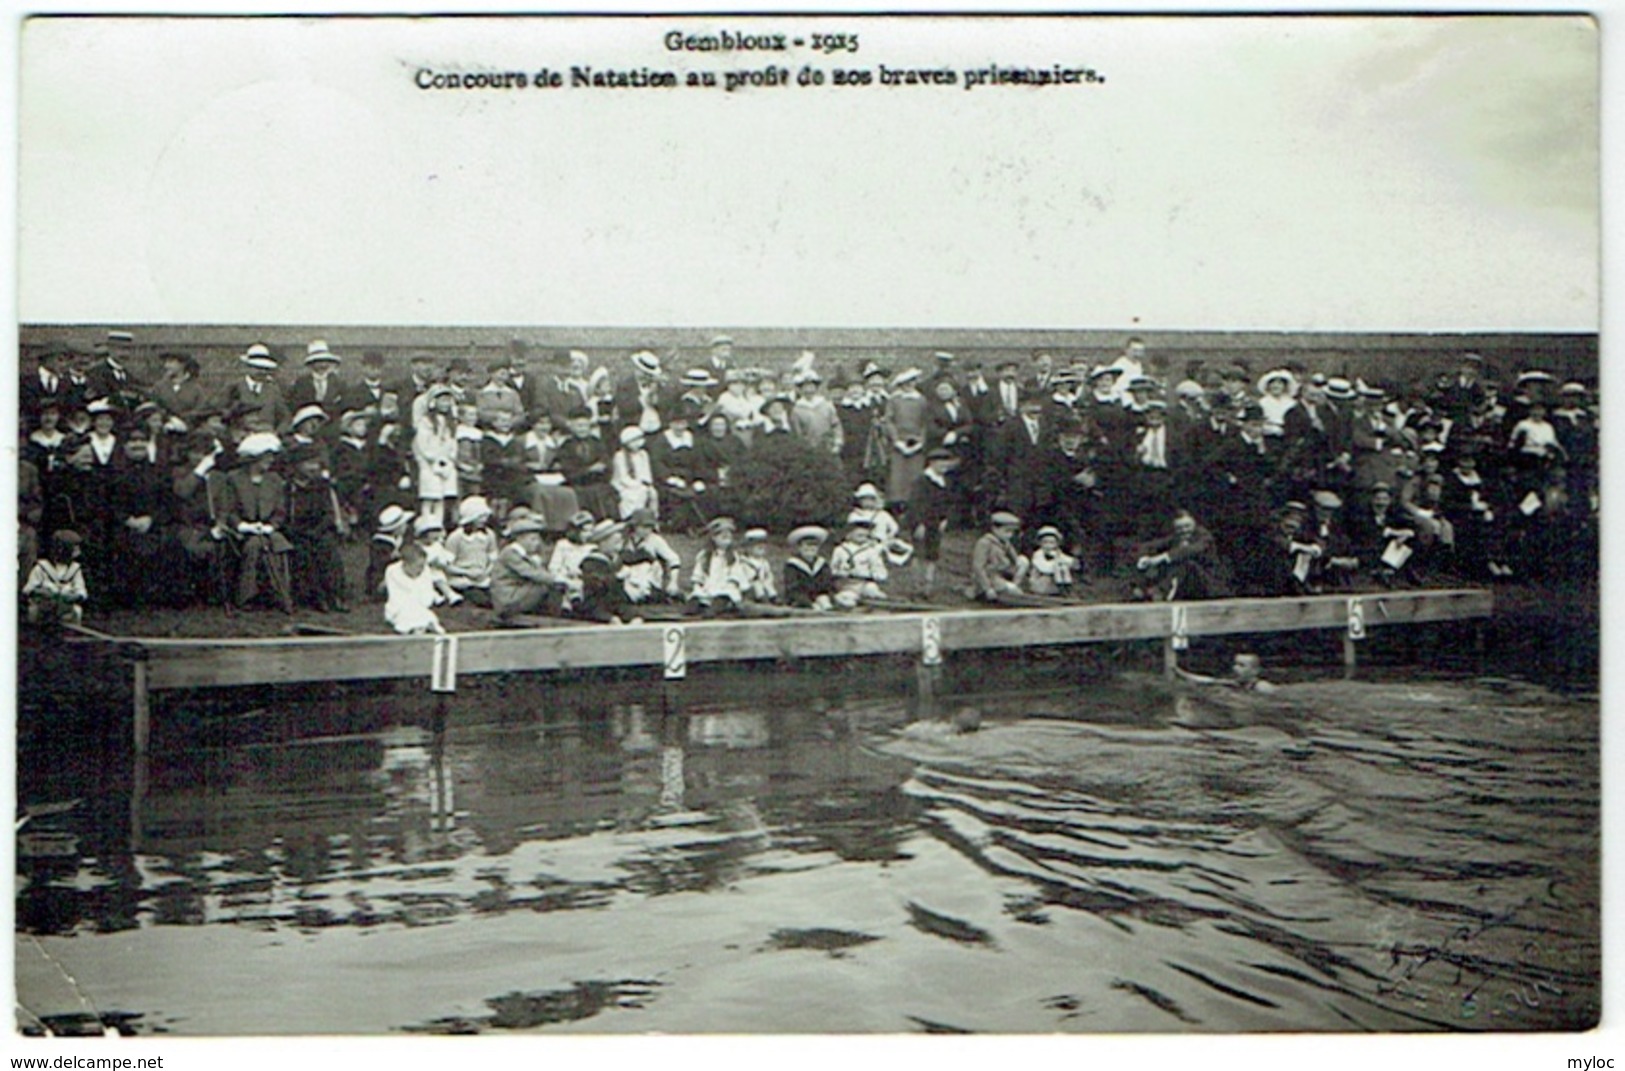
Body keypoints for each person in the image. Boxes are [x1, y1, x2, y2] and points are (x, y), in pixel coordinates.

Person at [218, 431, 294, 613]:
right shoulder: (234, 479)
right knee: (254, 545)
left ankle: (280, 594)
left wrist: (271, 526)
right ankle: (247, 596)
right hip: (240, 532)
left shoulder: (275, 480)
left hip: (268, 530)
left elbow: (280, 511)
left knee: (277, 544)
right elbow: (229, 509)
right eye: (266, 457)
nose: (270, 461)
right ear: (254, 459)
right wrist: (242, 526)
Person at [1134, 510, 1230, 602]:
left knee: (1185, 564)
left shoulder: (1204, 538)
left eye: (1187, 526)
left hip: (1209, 585)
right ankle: (1145, 590)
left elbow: (1188, 551)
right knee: (1165, 564)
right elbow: (1152, 545)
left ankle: (1160, 591)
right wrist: (1143, 557)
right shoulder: (1177, 537)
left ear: (1195, 524)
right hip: (1187, 587)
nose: (1184, 531)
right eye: (1179, 528)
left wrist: (1160, 558)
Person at [491, 512, 565, 624]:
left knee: (551, 585)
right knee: (547, 585)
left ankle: (550, 616)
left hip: (518, 594)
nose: (536, 544)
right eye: (532, 539)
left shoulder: (526, 555)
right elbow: (529, 573)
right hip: (508, 599)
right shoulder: (510, 553)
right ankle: (551, 618)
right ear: (520, 539)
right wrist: (556, 579)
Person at [413, 384, 461, 530]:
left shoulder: (451, 422)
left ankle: (439, 526)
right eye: (442, 400)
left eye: (448, 401)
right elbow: (423, 444)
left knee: (442, 498)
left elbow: (453, 442)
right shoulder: (425, 422)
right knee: (430, 498)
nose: (445, 404)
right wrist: (434, 458)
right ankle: (427, 525)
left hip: (446, 463)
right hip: (430, 464)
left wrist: (450, 458)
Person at [571, 518, 631, 623]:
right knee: (612, 619)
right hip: (596, 602)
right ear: (603, 542)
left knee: (635, 615)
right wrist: (617, 577)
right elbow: (596, 583)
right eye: (615, 542)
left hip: (616, 601)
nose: (619, 546)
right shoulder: (591, 562)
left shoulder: (616, 559)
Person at [24, 529, 88, 627]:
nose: (78, 552)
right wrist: (43, 593)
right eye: (75, 549)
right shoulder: (42, 567)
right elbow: (28, 589)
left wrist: (73, 596)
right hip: (43, 609)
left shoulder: (75, 570)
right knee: (33, 610)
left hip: (66, 610)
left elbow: (81, 591)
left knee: (77, 610)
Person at [384, 542, 450, 635]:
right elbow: (396, 598)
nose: (422, 569)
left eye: (423, 566)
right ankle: (415, 629)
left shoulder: (425, 571)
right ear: (406, 564)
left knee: (427, 616)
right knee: (406, 616)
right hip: (399, 608)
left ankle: (422, 627)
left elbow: (426, 599)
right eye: (419, 566)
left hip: (420, 607)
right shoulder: (392, 571)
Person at [619, 508, 682, 604]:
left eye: (650, 527)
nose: (647, 530)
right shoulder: (624, 539)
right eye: (643, 527)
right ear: (634, 526)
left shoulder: (655, 540)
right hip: (627, 577)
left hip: (649, 578)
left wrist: (673, 582)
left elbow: (674, 559)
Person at [444, 495, 498, 606]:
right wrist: (467, 573)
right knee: (480, 599)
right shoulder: (456, 537)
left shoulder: (489, 535)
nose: (484, 520)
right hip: (463, 579)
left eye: (485, 517)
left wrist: (486, 572)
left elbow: (493, 558)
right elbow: (447, 565)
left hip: (483, 577)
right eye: (480, 517)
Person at [830, 517, 894, 606]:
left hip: (864, 581)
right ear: (849, 535)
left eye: (865, 536)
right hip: (847, 582)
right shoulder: (840, 549)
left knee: (872, 590)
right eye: (859, 535)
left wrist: (878, 574)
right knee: (848, 597)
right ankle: (845, 601)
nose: (863, 538)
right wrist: (839, 572)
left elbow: (877, 566)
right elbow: (833, 566)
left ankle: (876, 601)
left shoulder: (871, 550)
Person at [689, 516, 748, 611]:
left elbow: (735, 576)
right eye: (722, 536)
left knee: (721, 602)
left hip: (725, 590)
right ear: (713, 538)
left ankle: (721, 608)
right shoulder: (704, 556)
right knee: (694, 603)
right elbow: (698, 575)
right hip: (707, 590)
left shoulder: (733, 557)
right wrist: (698, 587)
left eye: (729, 536)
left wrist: (728, 587)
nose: (726, 539)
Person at [970, 511, 1028, 602]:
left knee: (1023, 561)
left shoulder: (1005, 543)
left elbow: (1015, 559)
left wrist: (1019, 565)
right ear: (994, 529)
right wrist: (987, 588)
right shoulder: (985, 543)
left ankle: (1013, 586)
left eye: (1012, 532)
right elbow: (978, 567)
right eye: (1007, 531)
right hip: (990, 577)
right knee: (1013, 592)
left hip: (1003, 574)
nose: (1010, 535)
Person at [366, 504, 415, 603]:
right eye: (404, 525)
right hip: (381, 575)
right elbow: (377, 563)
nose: (406, 527)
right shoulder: (379, 543)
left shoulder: (401, 540)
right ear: (396, 528)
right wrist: (391, 557)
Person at [548, 509, 596, 609]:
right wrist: (565, 574)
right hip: (565, 578)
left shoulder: (592, 547)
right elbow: (554, 567)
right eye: (585, 531)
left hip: (583, 579)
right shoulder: (563, 545)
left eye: (591, 531)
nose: (589, 534)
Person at [783, 525, 837, 610]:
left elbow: (828, 584)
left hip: (820, 598)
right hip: (800, 600)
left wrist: (825, 596)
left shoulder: (822, 564)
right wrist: (808, 602)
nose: (810, 548)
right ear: (799, 547)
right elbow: (793, 589)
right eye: (806, 545)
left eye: (814, 545)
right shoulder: (792, 565)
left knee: (825, 603)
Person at [611, 425, 659, 519]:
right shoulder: (620, 456)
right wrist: (637, 485)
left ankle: (651, 519)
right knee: (633, 496)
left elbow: (647, 472)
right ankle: (632, 519)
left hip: (642, 484)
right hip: (624, 486)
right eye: (634, 441)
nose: (637, 444)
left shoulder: (643, 454)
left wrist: (646, 484)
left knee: (653, 494)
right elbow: (623, 477)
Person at [1175, 651, 1278, 694]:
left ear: (1255, 671)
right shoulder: (1234, 683)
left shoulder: (1262, 687)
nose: (1235, 668)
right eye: (1235, 664)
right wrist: (1182, 673)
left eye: (1242, 666)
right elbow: (1210, 681)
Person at [1026, 525, 1078, 597]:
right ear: (1040, 543)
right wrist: (1056, 563)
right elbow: (1043, 567)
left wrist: (1067, 562)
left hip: (1054, 585)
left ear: (1056, 544)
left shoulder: (1057, 553)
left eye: (1051, 543)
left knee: (1063, 567)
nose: (1048, 545)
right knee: (1057, 566)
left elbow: (1070, 562)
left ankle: (1066, 588)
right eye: (1045, 542)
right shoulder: (1038, 554)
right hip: (1040, 584)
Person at [738, 527, 778, 603]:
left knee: (769, 586)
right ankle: (762, 599)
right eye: (756, 545)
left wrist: (768, 579)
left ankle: (773, 598)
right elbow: (748, 576)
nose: (761, 547)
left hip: (763, 582)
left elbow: (768, 573)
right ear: (748, 548)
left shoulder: (764, 562)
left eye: (763, 545)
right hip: (751, 585)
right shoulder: (745, 562)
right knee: (757, 586)